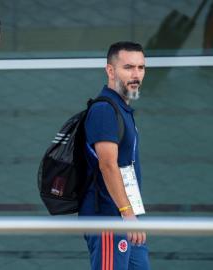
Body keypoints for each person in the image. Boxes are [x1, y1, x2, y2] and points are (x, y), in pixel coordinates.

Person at [79, 41, 150, 270]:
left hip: (127, 219)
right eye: (128, 67)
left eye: (141, 68)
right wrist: (127, 214)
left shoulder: (122, 109)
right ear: (110, 70)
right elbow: (108, 165)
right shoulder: (104, 110)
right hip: (110, 219)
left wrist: (131, 217)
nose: (136, 74)